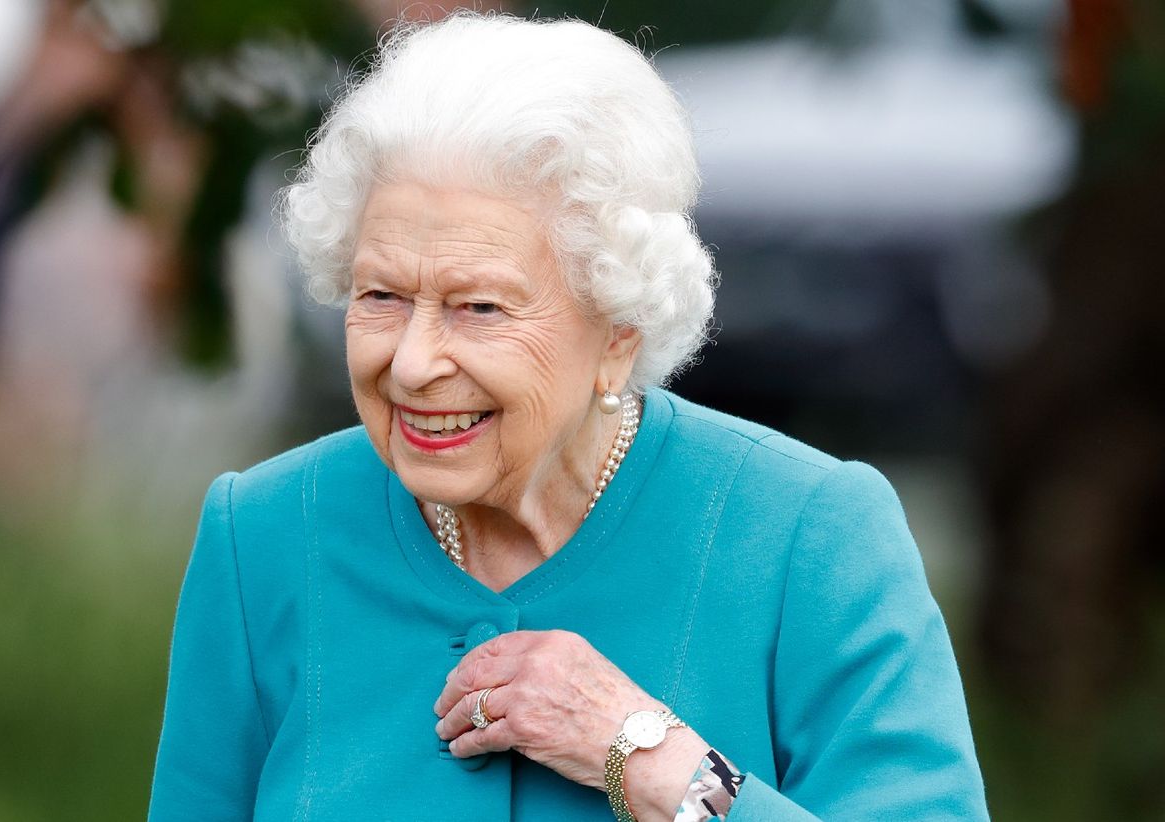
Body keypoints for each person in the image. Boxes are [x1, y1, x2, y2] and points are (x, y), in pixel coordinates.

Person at [148, 12, 989, 821]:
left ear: (618, 332)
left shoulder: (807, 536)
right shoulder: (262, 535)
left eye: (478, 307)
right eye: (381, 296)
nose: (410, 363)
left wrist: (651, 762)